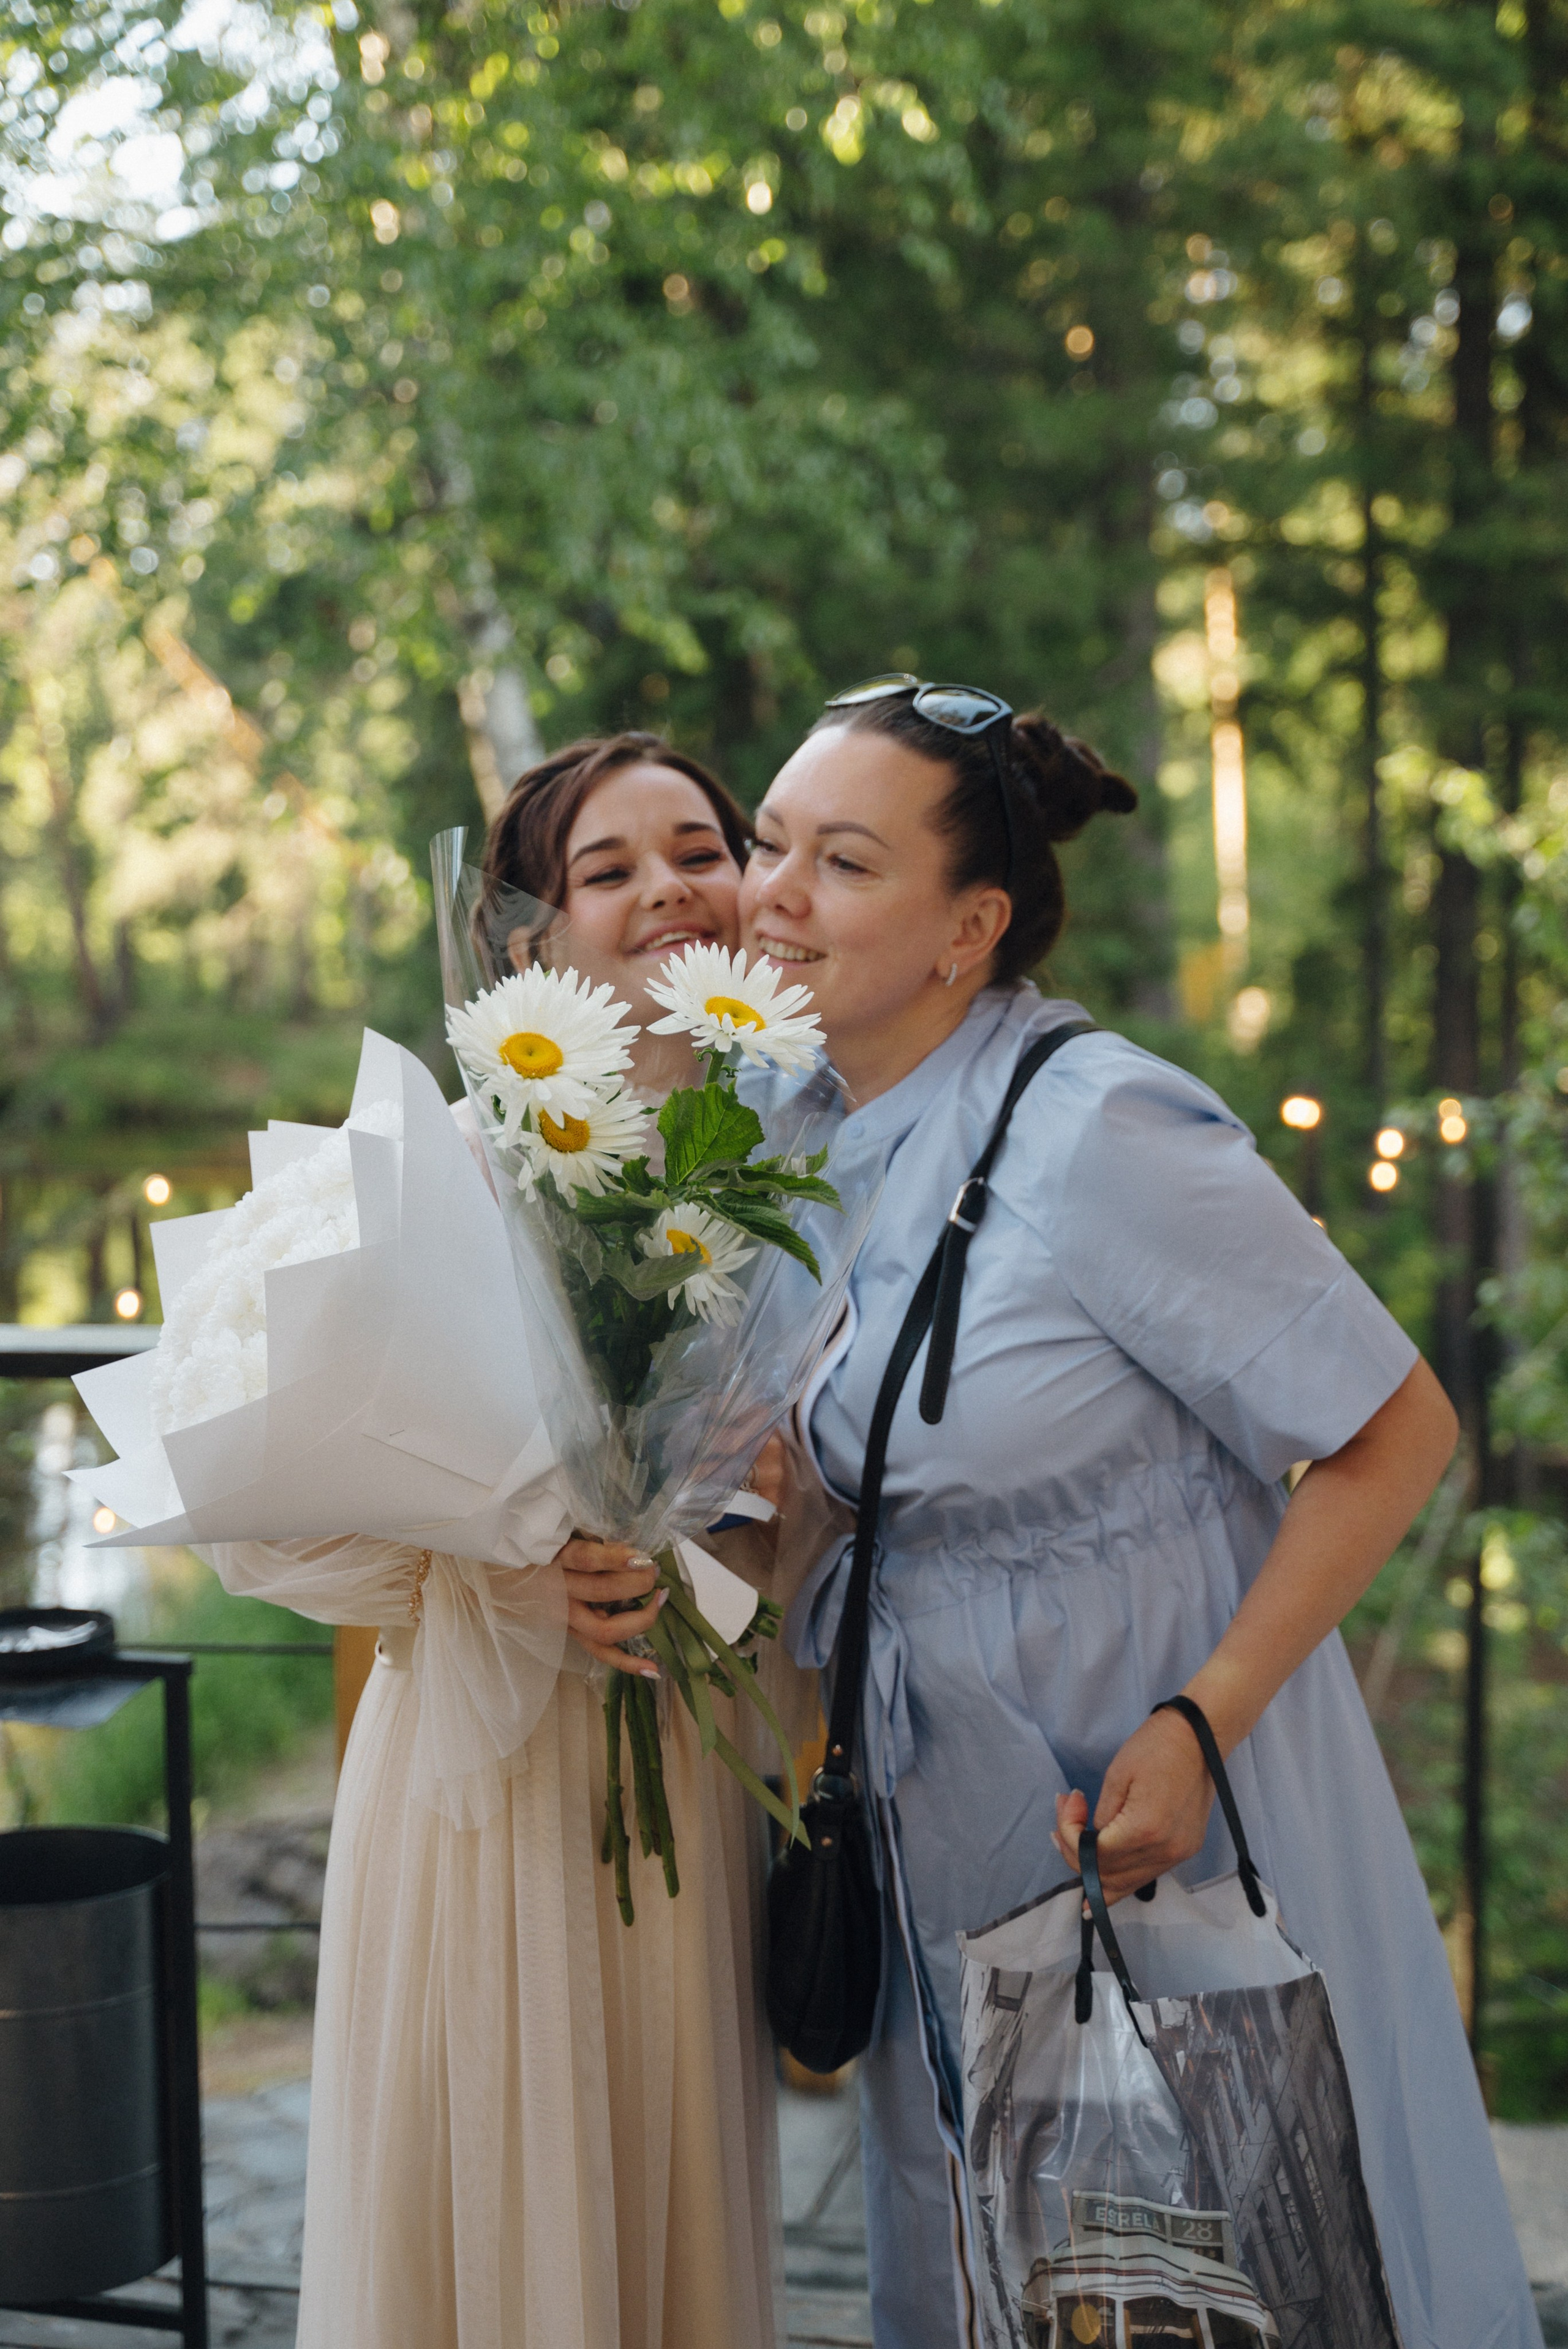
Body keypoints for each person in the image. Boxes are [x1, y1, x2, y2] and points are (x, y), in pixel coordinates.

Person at [736, 677, 1541, 2349]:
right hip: (937, 1802)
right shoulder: (798, 1121)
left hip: (1151, 1799)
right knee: (989, 2254)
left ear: (972, 927)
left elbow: (1399, 1430)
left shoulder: (1100, 1124)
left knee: (1224, 2257)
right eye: (770, 842)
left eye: (844, 862)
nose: (773, 894)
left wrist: (1201, 1717)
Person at [213, 734, 808, 2349]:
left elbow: (774, 1514)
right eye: (611, 868)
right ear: (527, 942)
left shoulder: (768, 1182)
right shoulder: (453, 1170)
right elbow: (257, 1518)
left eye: (703, 846)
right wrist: (494, 1570)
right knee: (501, 2191)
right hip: (494, 1777)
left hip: (679, 1760)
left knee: (660, 2202)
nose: (673, 885)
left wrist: (781, 1518)